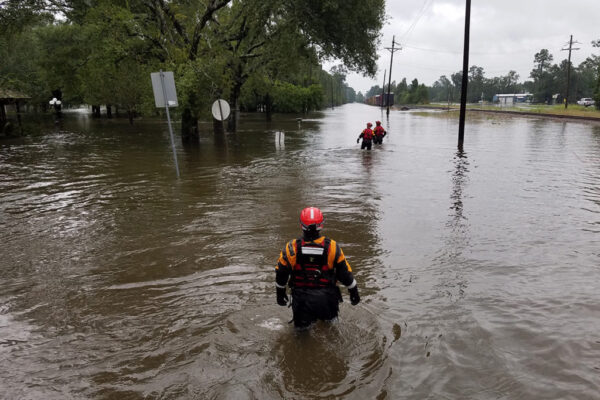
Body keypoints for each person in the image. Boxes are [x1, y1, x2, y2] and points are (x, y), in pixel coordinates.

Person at [275, 207, 361, 329]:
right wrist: (354, 293)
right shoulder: (332, 247)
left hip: (302, 301)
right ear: (321, 225)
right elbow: (345, 274)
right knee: (331, 331)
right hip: (327, 299)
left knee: (301, 335)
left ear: (301, 225)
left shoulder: (291, 248)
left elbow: (281, 274)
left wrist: (280, 293)